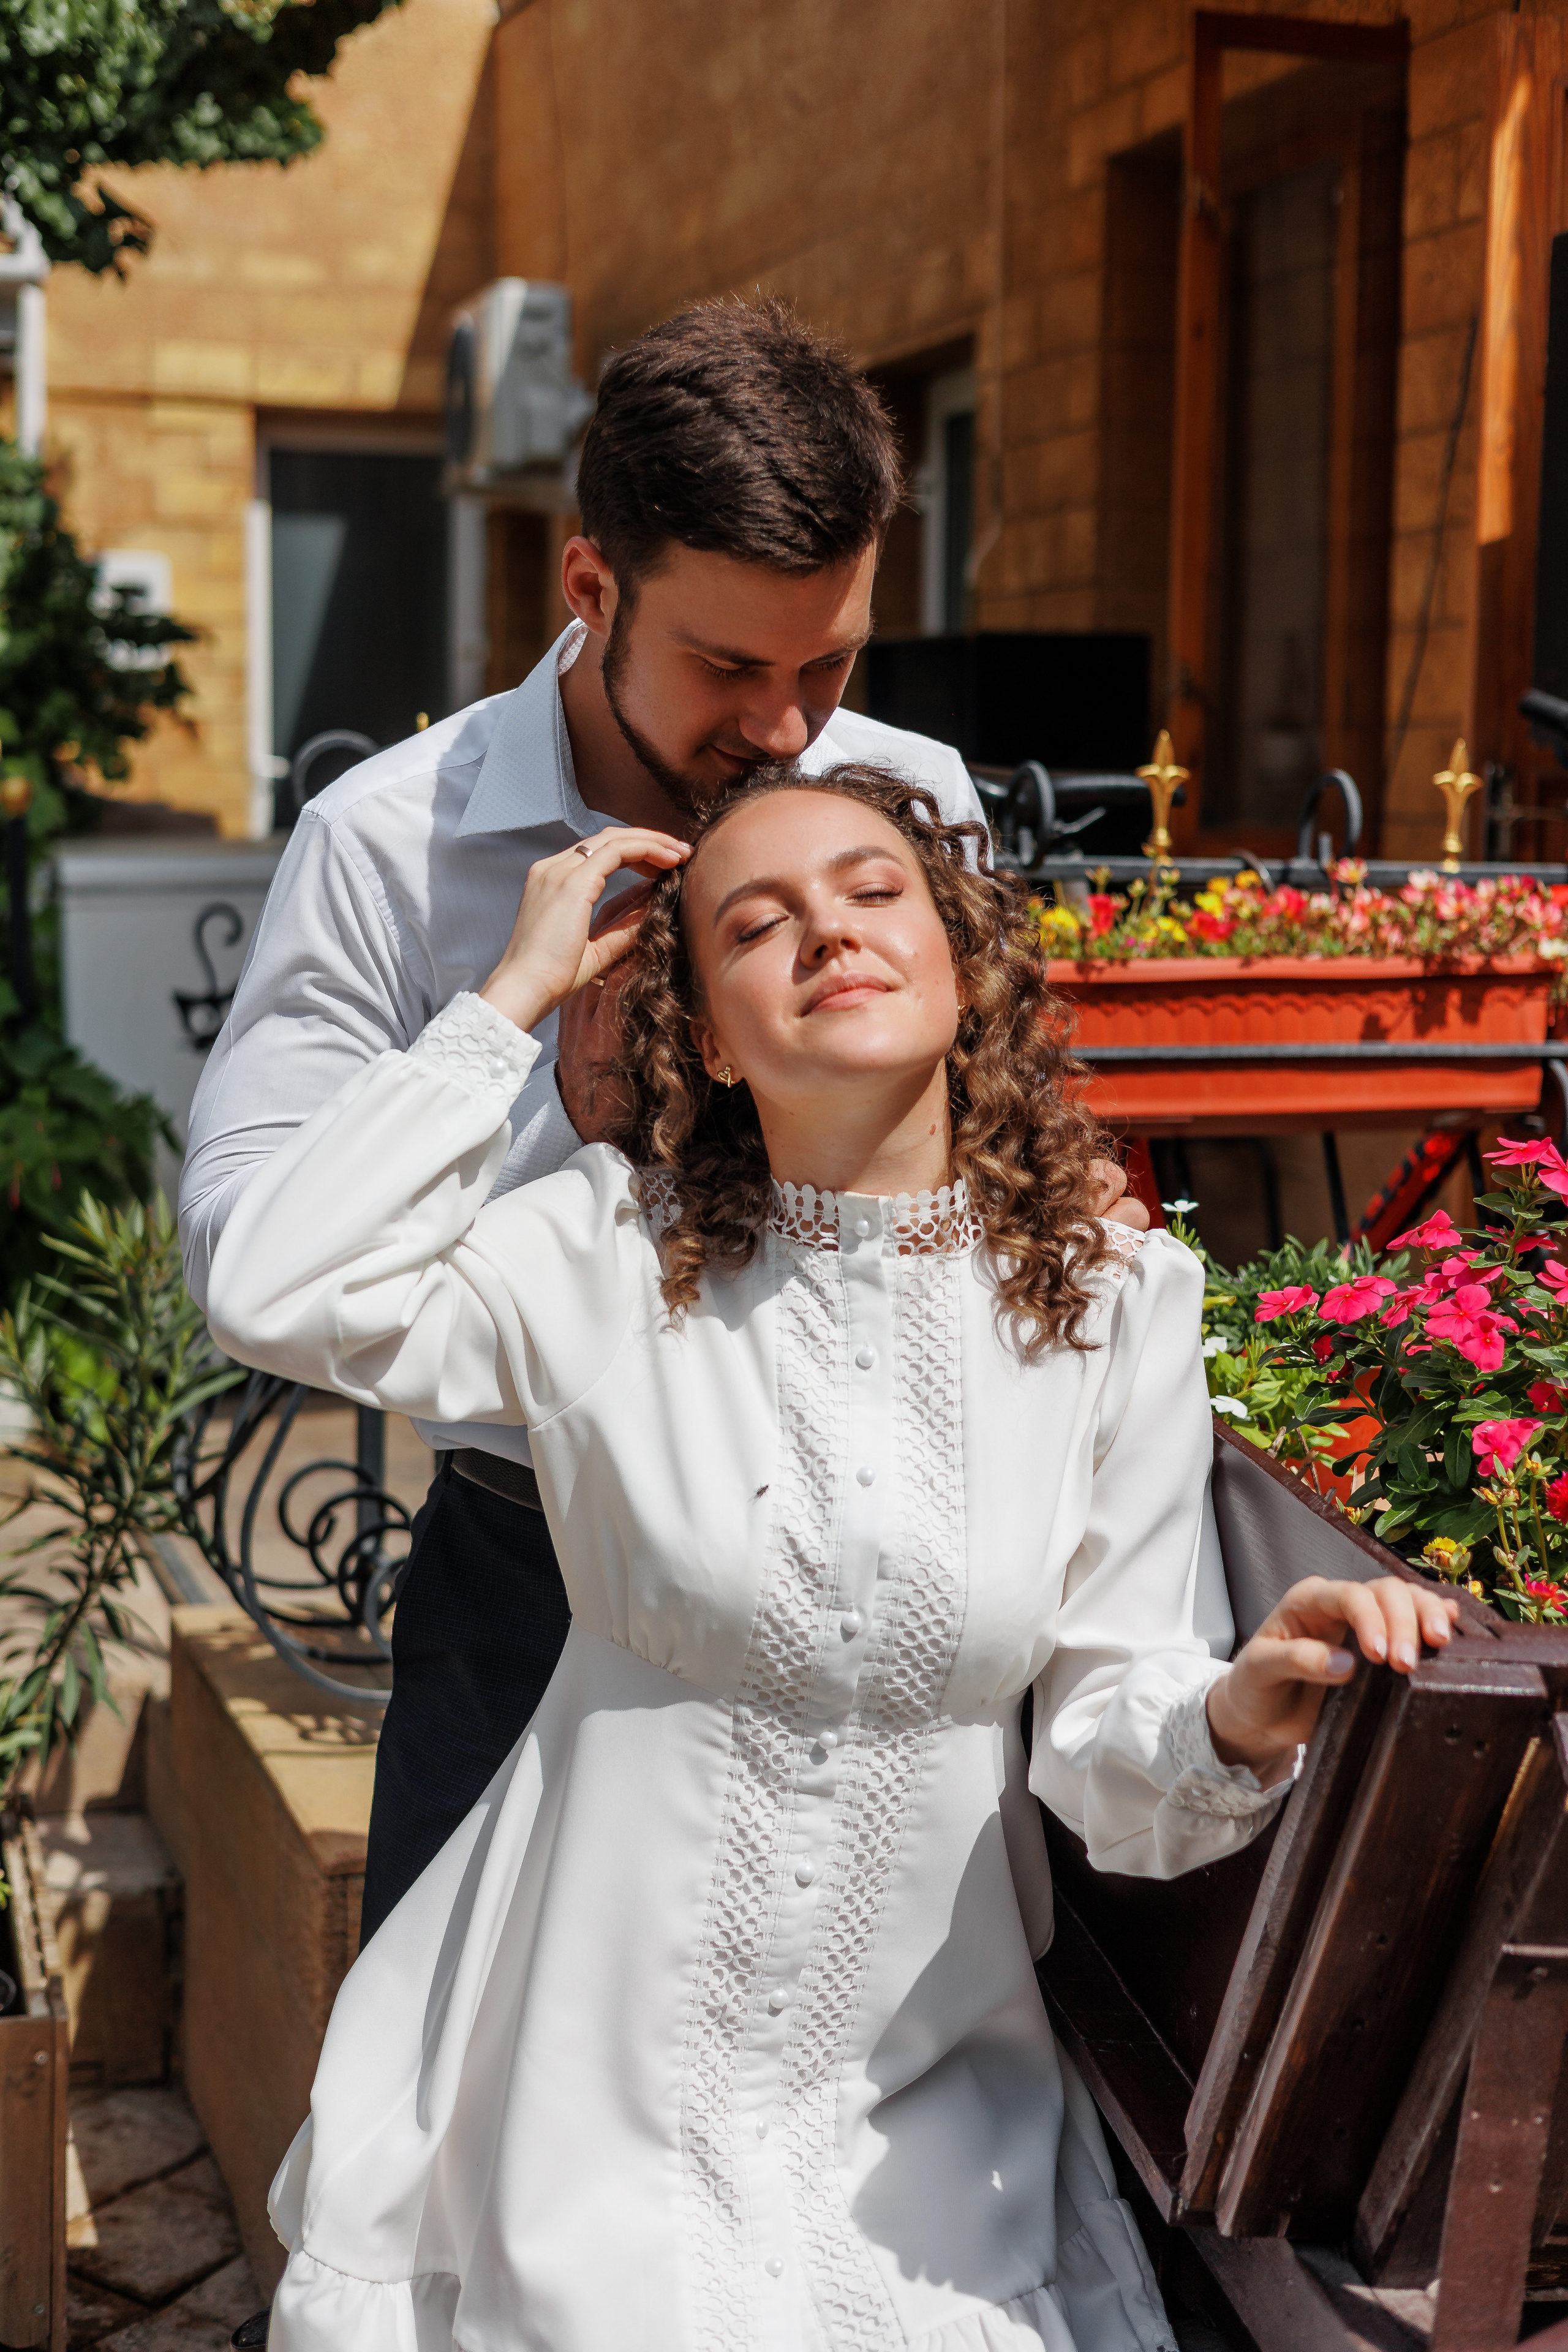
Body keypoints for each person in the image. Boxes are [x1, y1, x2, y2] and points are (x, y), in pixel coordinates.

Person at [206, 764, 1457, 2352]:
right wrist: (509, 993)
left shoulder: (1111, 1303)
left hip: (925, 2093)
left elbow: (1099, 1729)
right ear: (710, 1038)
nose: (828, 934)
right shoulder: (607, 1248)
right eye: (758, 921)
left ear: (959, 958)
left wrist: (1237, 1711)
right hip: (588, 2070)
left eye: (874, 893)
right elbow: (273, 1284)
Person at [181, 297, 1145, 1945]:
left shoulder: (914, 797)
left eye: (825, 661)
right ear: (591, 587)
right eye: (727, 666)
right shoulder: (384, 847)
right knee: (469, 2118)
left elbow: (981, 1138)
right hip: (533, 1588)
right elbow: (245, 1250)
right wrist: (531, 1094)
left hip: (885, 1570)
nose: (786, 728)